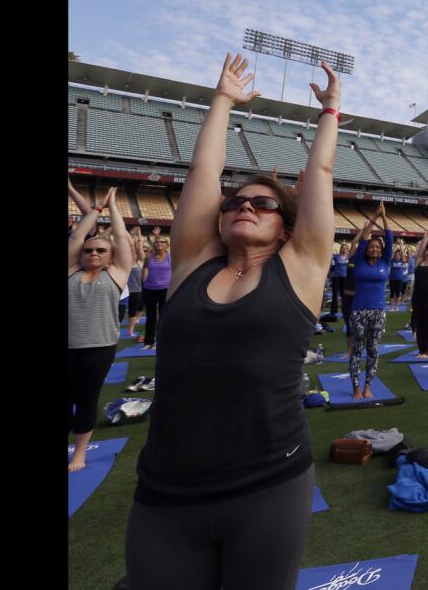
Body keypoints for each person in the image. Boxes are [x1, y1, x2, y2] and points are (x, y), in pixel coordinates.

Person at [125, 54, 338, 587]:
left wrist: (330, 112)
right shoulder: (192, 263)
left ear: (287, 229)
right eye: (235, 202)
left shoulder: (302, 268)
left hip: (269, 485)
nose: (246, 205)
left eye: (265, 204)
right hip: (167, 490)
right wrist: (221, 100)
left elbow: (321, 174)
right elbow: (204, 173)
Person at [69, 186, 135, 472]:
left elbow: (121, 238)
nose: (93, 253)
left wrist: (114, 207)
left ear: (111, 256)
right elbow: (76, 237)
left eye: (100, 250)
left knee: (87, 399)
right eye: (89, 250)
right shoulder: (71, 271)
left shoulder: (117, 274)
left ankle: (79, 453)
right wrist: (96, 210)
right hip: (68, 347)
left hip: (99, 348)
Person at [349, 203, 393, 399]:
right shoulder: (359, 260)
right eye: (372, 247)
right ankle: (355, 388)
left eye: (378, 247)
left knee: (373, 350)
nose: (374, 249)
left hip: (378, 312)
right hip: (359, 311)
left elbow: (390, 239)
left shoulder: (385, 262)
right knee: (357, 350)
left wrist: (385, 218)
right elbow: (364, 239)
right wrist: (374, 217)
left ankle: (368, 386)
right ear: (367, 250)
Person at [409, 223, 428, 360]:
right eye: (427, 249)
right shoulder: (419, 262)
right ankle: (421, 350)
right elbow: (421, 248)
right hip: (417, 297)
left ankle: (427, 350)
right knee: (419, 324)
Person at [140, 225, 172, 349]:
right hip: (149, 290)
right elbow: (144, 268)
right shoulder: (149, 257)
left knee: (163, 317)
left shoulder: (170, 257)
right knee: (150, 317)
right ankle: (148, 342)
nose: (159, 244)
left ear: (166, 245)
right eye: (157, 242)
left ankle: (160, 341)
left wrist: (157, 235)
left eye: (162, 242)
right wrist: (143, 281)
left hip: (165, 289)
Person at [329, 241, 350, 320]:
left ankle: (345, 310)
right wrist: (330, 273)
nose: (344, 249)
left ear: (347, 250)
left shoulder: (349, 257)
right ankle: (333, 312)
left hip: (345, 278)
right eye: (342, 248)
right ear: (340, 249)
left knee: (344, 295)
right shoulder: (336, 257)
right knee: (335, 295)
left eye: (345, 248)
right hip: (336, 278)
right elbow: (332, 267)